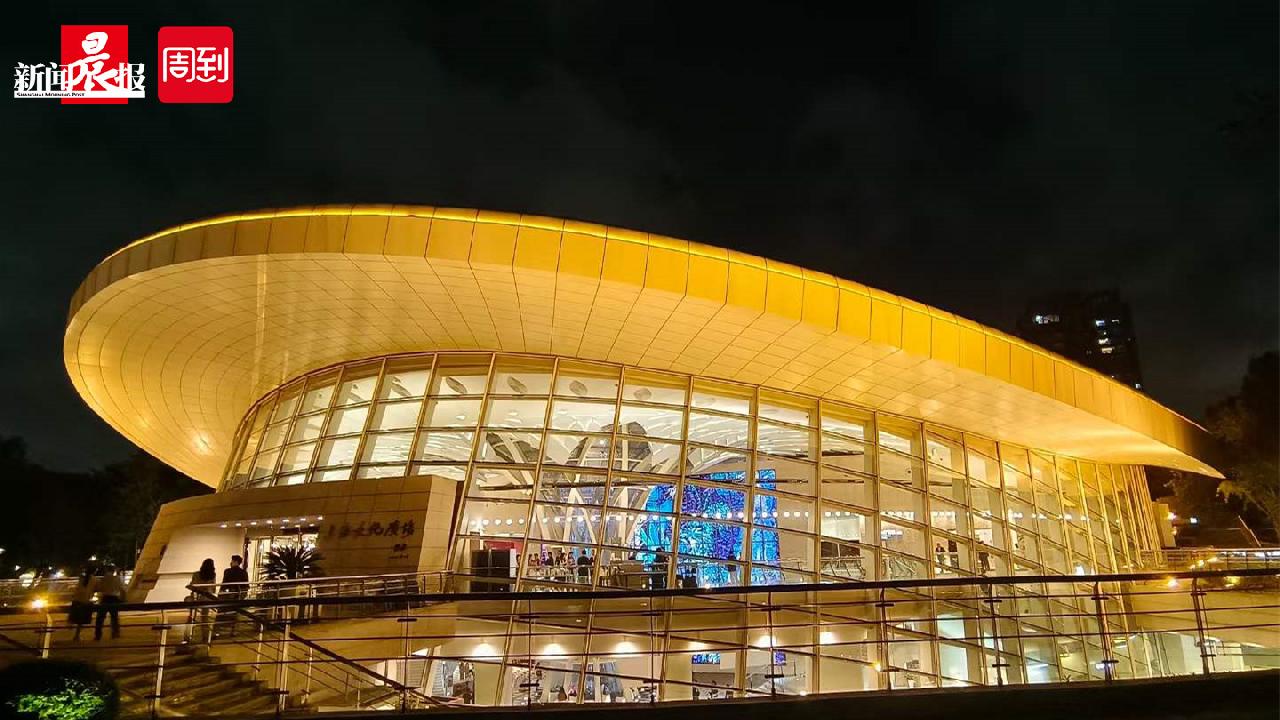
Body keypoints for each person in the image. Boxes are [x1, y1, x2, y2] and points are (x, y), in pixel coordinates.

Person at [184, 558, 217, 643]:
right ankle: (205, 637)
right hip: (207, 599)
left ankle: (187, 636)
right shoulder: (213, 575)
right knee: (205, 618)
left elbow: (192, 585)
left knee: (191, 616)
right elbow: (213, 590)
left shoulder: (196, 574)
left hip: (196, 598)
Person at [217, 555, 250, 637]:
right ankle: (234, 631)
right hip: (238, 595)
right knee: (235, 614)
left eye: (232, 561)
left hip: (227, 595)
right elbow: (246, 586)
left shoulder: (227, 571)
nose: (231, 562)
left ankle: (218, 631)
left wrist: (220, 594)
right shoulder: (244, 572)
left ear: (235, 561)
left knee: (222, 613)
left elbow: (224, 584)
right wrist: (242, 595)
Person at [93, 565, 127, 641]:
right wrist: (123, 599)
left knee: (100, 618)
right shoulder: (117, 578)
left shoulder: (103, 579)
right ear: (113, 571)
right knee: (114, 617)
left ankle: (98, 634)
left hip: (105, 598)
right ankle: (115, 633)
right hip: (114, 598)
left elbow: (99, 588)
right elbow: (123, 589)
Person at [68, 570, 95, 642]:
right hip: (84, 601)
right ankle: (76, 635)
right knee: (81, 621)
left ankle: (71, 625)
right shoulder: (93, 579)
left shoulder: (81, 578)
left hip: (77, 600)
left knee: (75, 617)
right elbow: (97, 588)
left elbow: (77, 588)